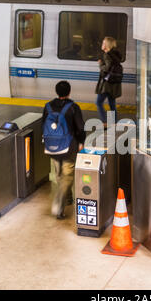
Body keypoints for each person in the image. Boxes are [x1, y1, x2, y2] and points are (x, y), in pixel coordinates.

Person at [42, 81, 86, 219]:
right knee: (66, 177)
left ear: (57, 92)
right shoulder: (73, 107)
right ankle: (58, 206)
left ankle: (67, 199)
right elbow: (80, 128)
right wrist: (81, 142)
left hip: (53, 148)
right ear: (69, 92)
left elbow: (43, 124)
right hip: (69, 148)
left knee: (59, 174)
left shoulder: (48, 106)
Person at [95, 37, 122, 126]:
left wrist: (100, 64)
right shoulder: (116, 55)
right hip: (114, 84)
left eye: (103, 43)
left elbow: (107, 67)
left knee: (98, 102)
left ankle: (105, 121)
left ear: (107, 45)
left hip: (107, 84)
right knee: (112, 104)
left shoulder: (107, 55)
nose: (102, 45)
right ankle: (113, 122)